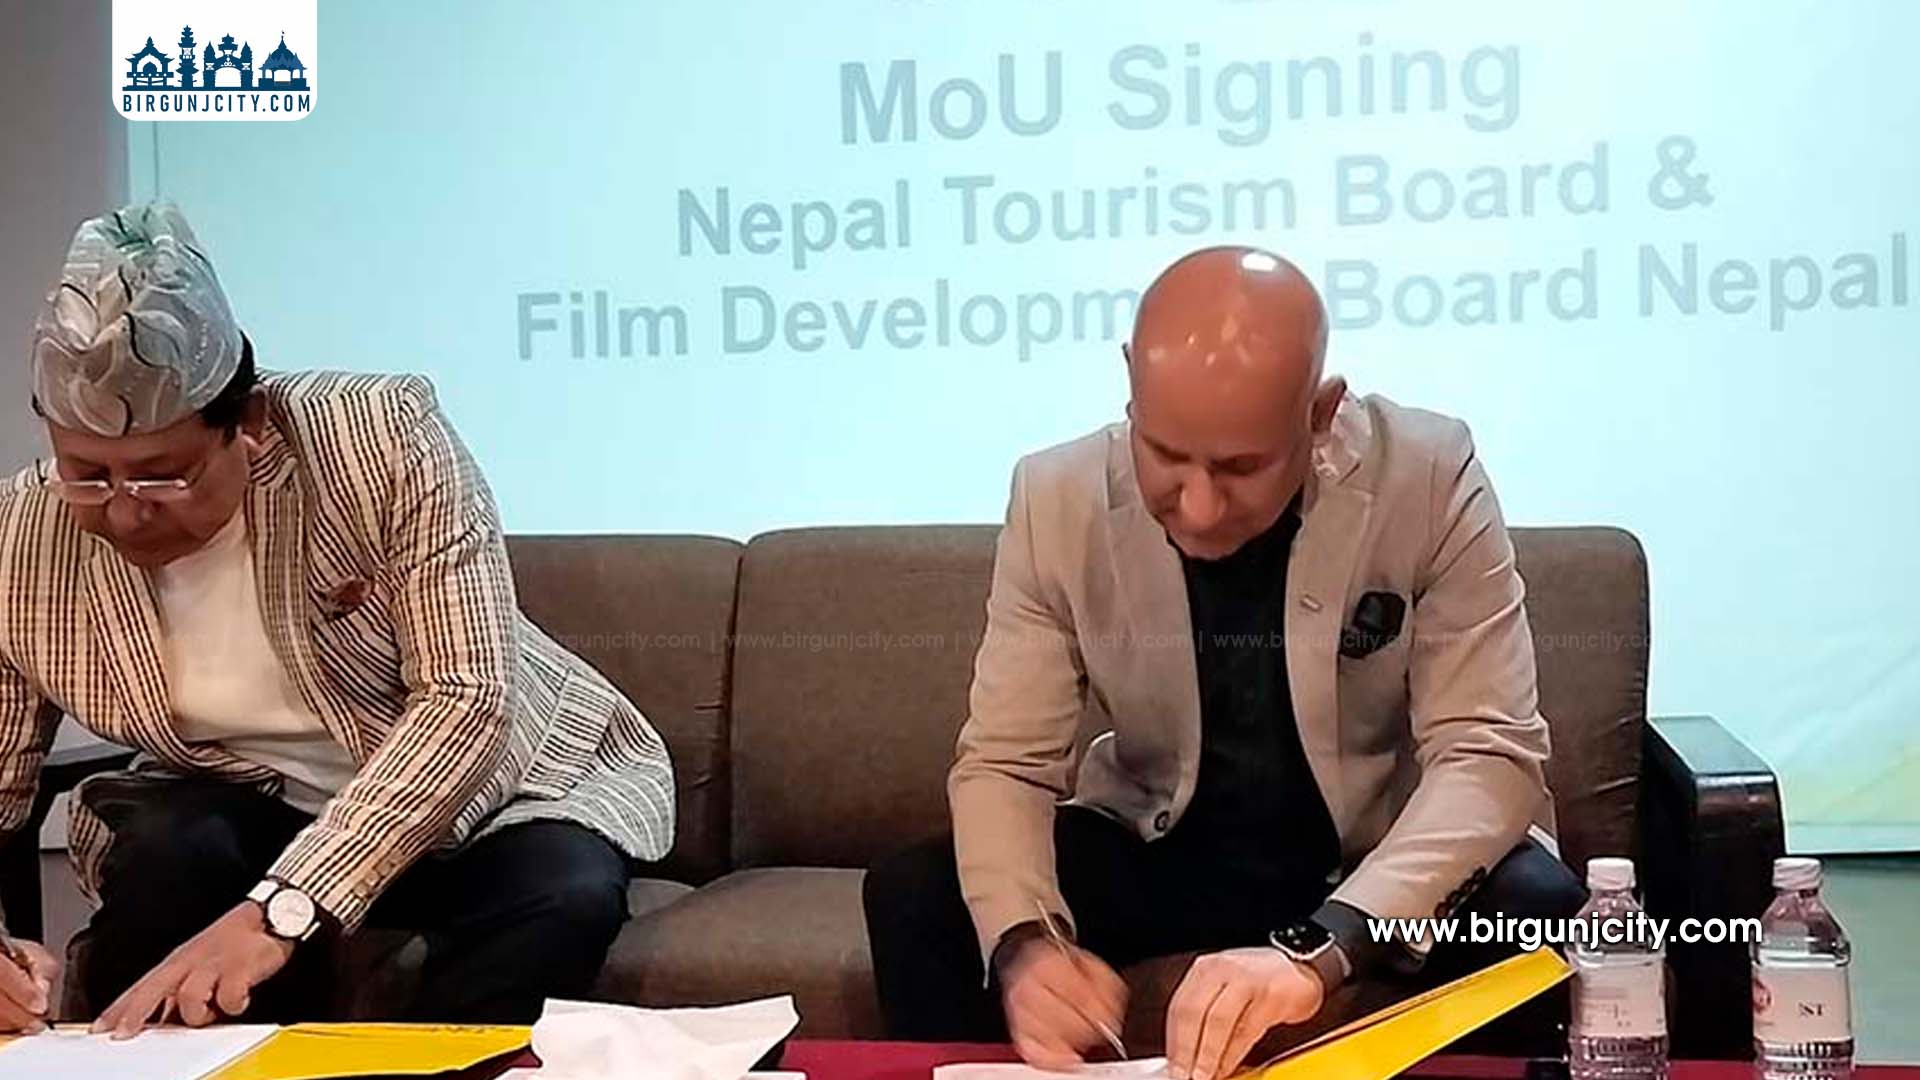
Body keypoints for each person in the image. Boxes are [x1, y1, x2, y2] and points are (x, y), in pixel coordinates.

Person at [864, 246, 1585, 1079]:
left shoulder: (1428, 475)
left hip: (1370, 855)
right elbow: (1005, 762)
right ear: (1130, 381)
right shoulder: (1054, 497)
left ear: (1320, 412)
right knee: (918, 897)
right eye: (1164, 455)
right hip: (1167, 847)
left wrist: (1323, 948)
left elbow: (1489, 751)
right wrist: (1027, 942)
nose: (1200, 507)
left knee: (1541, 918)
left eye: (1241, 468)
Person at [0, 202, 675, 1035]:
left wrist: (282, 910)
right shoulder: (20, 536)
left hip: (499, 796)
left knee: (562, 894)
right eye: (88, 475)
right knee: (171, 855)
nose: (126, 511)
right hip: (256, 805)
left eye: (163, 475)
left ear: (248, 424)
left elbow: (465, 698)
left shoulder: (379, 440)